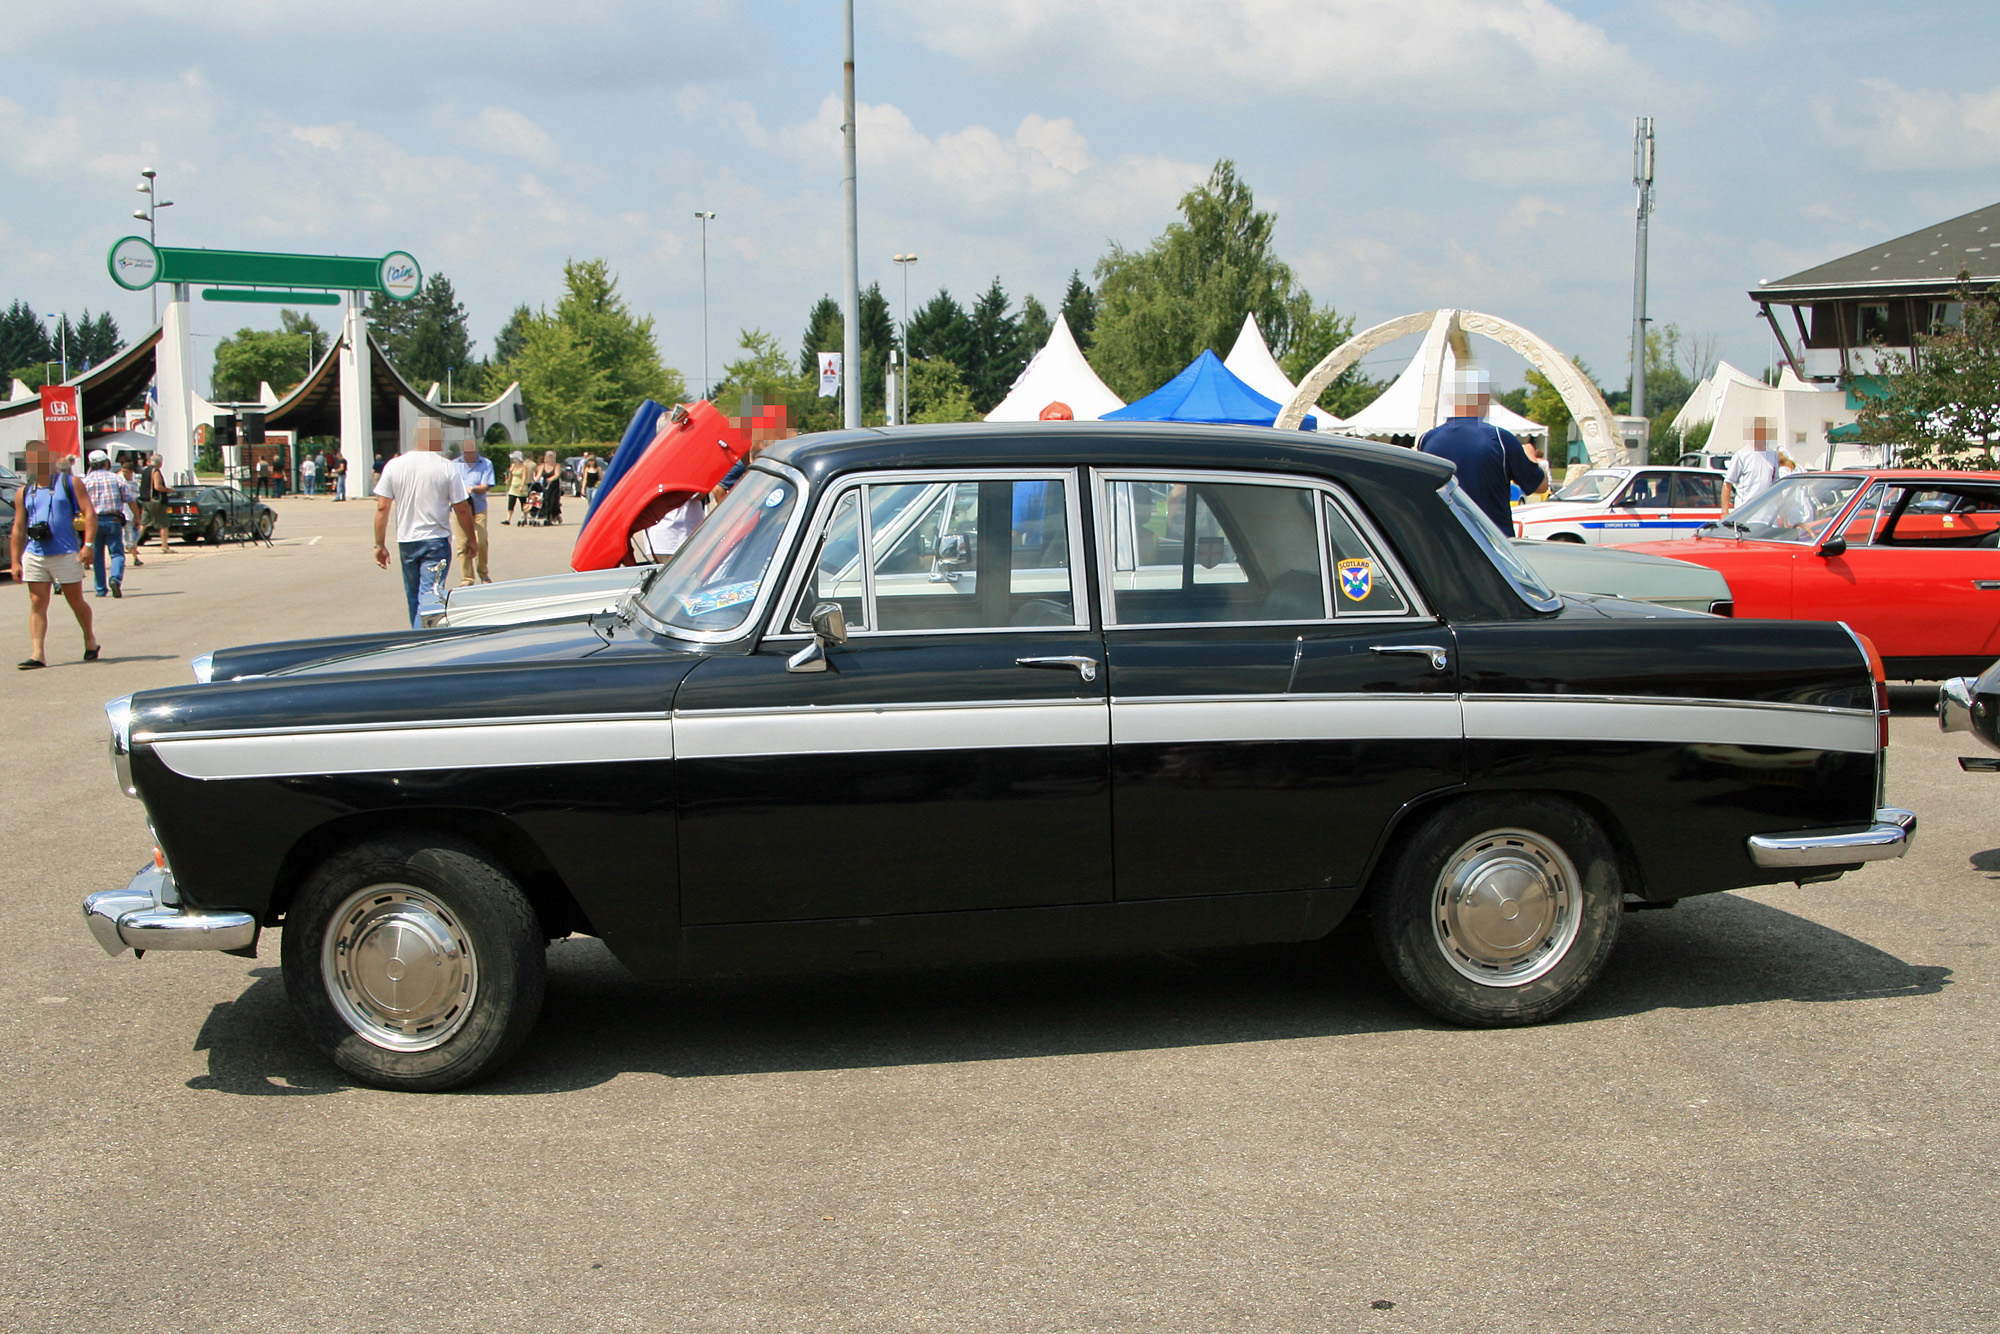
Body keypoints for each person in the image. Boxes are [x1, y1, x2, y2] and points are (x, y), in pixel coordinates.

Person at [1416, 365, 1545, 532]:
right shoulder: (1499, 439)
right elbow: (1539, 487)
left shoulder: (1427, 439)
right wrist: (1531, 457)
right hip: (1490, 542)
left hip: (1443, 539)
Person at [9, 440, 100, 668]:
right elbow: (19, 528)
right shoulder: (24, 491)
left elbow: (89, 513)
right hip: (35, 553)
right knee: (37, 603)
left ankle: (89, 638)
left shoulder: (70, 483)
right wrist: (15, 561)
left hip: (66, 552)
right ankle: (37, 653)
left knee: (75, 600)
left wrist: (88, 544)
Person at [374, 423, 474, 629]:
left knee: (414, 597)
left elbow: (382, 508)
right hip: (436, 540)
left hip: (407, 540)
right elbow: (462, 508)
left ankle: (416, 634)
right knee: (429, 596)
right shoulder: (445, 466)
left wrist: (379, 544)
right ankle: (423, 640)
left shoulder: (394, 465)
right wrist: (472, 538)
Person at [83, 449, 137, 598]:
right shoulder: (117, 479)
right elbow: (130, 499)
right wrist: (137, 518)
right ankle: (115, 578)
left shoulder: (85, 481)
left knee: (98, 556)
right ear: (106, 463)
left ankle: (100, 588)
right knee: (117, 554)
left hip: (93, 521)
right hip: (113, 519)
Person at [450, 438, 495, 586]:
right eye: (466, 451)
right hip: (460, 508)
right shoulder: (454, 465)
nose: (469, 453)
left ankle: (483, 573)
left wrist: (473, 488)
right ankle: (467, 578)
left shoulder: (485, 464)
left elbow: (486, 485)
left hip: (478, 508)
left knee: (481, 540)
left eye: (472, 450)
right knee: (462, 543)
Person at [1721, 417, 1782, 512]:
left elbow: (1776, 485)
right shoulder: (1741, 455)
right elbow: (1728, 484)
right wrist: (1724, 512)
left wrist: (1781, 514)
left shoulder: (1772, 455)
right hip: (1745, 514)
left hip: (1767, 515)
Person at [141, 452, 172, 556]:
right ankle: (165, 546)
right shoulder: (156, 471)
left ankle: (132, 544)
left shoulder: (145, 471)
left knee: (143, 524)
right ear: (160, 463)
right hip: (155, 501)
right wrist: (168, 490)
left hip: (145, 501)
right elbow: (157, 486)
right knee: (163, 524)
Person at [117, 456, 144, 567]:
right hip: (120, 512)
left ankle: (134, 555)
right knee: (125, 535)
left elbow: (134, 499)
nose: (124, 473)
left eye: (126, 472)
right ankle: (133, 557)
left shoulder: (133, 482)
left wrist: (137, 515)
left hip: (129, 513)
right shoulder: (119, 480)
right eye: (123, 471)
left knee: (131, 535)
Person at [533, 451, 563, 524]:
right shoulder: (543, 466)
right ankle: (547, 516)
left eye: (551, 456)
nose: (549, 458)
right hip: (545, 486)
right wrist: (533, 480)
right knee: (545, 501)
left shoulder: (556, 465)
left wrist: (551, 479)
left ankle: (552, 516)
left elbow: (557, 474)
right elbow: (538, 476)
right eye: (548, 456)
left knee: (553, 502)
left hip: (554, 486)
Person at [503, 450, 530, 524]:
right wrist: (510, 472)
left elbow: (524, 476)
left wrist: (522, 485)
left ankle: (524, 518)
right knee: (511, 502)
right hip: (513, 486)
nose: (514, 459)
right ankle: (508, 519)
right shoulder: (513, 465)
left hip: (521, 486)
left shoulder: (524, 466)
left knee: (523, 503)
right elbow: (510, 475)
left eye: (515, 458)